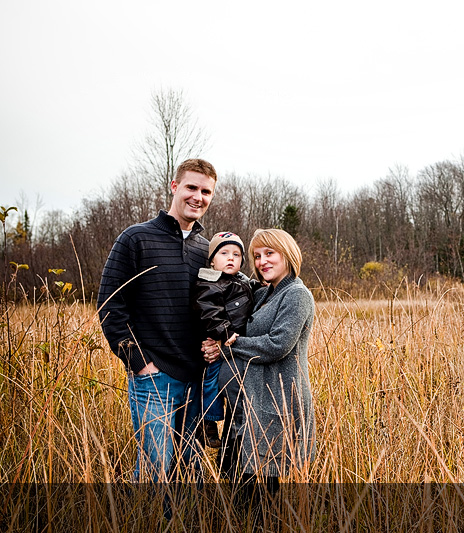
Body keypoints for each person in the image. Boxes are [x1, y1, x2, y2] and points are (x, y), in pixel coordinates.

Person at [97, 158, 217, 482]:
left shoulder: (207, 251)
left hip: (196, 379)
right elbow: (110, 305)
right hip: (154, 378)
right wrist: (139, 362)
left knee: (189, 468)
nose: (198, 196)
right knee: (155, 471)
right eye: (191, 187)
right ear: (175, 187)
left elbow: (217, 309)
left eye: (206, 191)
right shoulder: (136, 239)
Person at [203, 228, 315, 495]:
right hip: (246, 402)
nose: (262, 261)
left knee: (261, 488)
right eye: (256, 256)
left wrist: (228, 345)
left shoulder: (296, 295)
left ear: (287, 254)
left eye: (269, 253)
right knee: (236, 480)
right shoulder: (265, 293)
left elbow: (278, 345)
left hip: (272, 403)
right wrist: (212, 340)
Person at [191, 231, 254, 449]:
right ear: (212, 260)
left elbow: (251, 290)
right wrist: (224, 332)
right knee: (211, 379)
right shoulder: (209, 283)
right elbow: (208, 312)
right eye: (224, 253)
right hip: (219, 338)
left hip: (236, 345)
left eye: (236, 255)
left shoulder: (242, 280)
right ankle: (207, 420)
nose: (231, 258)